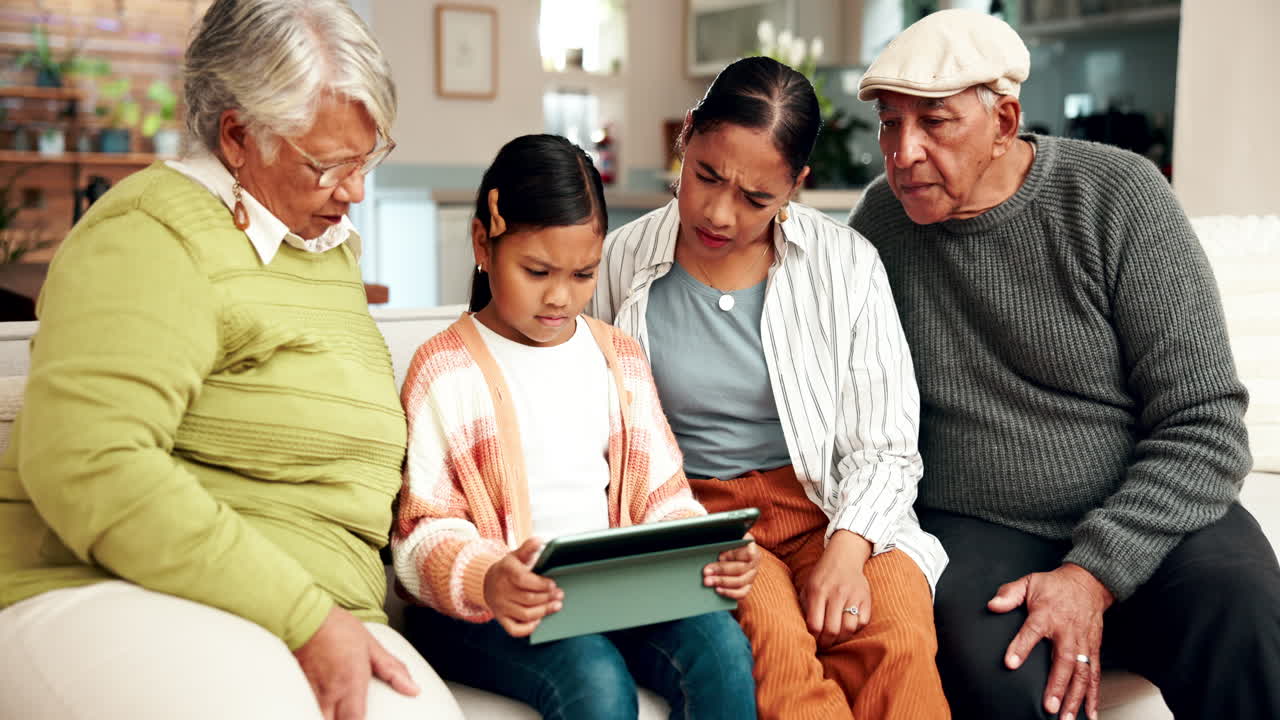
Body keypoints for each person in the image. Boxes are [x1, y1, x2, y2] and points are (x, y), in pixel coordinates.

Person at [0, 2, 464, 719]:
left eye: (367, 157)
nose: (356, 190)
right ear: (239, 135)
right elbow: (89, 458)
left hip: (325, 609)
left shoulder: (323, 249)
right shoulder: (150, 235)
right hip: (121, 588)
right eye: (329, 164)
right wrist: (301, 613)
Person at [849, 9, 1280, 720]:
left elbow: (1206, 426)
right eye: (890, 124)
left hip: (1144, 504)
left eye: (935, 122)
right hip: (977, 520)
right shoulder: (879, 226)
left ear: (1005, 120)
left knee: (1245, 609)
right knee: (994, 669)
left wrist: (1091, 574)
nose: (904, 151)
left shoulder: (1118, 197)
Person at [590, 56, 951, 720]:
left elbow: (889, 444)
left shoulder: (844, 263)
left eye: (757, 198)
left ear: (796, 186)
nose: (721, 214)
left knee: (898, 643)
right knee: (780, 655)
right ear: (687, 136)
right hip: (702, 518)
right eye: (706, 177)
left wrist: (847, 549)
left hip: (834, 506)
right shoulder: (620, 261)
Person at [391, 133, 760, 720]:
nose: (561, 297)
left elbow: (662, 495)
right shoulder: (445, 369)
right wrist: (489, 577)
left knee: (720, 650)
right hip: (487, 612)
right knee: (594, 680)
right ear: (484, 244)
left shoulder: (618, 356)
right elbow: (419, 533)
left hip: (606, 597)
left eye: (584, 274)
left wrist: (702, 552)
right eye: (537, 271)